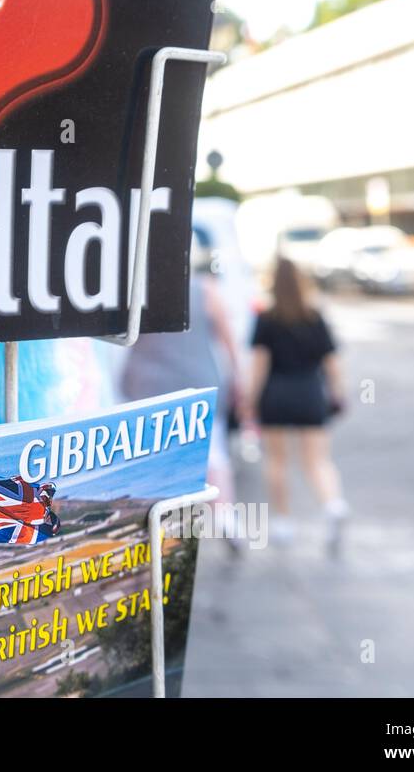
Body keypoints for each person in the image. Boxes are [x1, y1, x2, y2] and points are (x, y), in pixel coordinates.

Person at [119, 232, 243, 540]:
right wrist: (238, 376)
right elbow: (228, 338)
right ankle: (224, 515)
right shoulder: (206, 289)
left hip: (148, 383)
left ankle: (159, 525)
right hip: (198, 380)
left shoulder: (138, 291)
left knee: (153, 454)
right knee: (213, 452)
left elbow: (122, 340)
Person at [245, 257, 349, 554]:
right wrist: (337, 394)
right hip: (309, 394)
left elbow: (259, 367)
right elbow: (332, 364)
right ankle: (333, 504)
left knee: (277, 461)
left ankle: (283, 522)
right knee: (318, 460)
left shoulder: (266, 319)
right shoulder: (315, 317)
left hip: (276, 395)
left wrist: (250, 401)